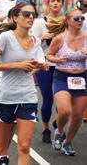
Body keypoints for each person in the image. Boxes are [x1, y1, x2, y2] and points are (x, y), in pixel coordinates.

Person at [0, 2, 48, 165]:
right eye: (26, 14)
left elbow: (36, 64)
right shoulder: (5, 37)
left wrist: (41, 66)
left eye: (33, 14)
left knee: (24, 146)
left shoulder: (36, 41)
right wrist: (17, 65)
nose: (31, 17)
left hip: (28, 97)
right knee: (1, 146)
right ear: (15, 18)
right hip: (6, 96)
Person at [46, 8, 87, 156]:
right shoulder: (60, 38)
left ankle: (67, 142)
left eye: (81, 18)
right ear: (68, 21)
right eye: (76, 19)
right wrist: (57, 60)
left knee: (77, 115)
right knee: (64, 111)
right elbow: (49, 55)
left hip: (81, 78)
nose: (80, 21)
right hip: (62, 77)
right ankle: (59, 131)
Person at [30, 0, 64, 143]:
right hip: (45, 66)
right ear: (48, 4)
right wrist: (43, 37)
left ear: (62, 4)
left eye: (58, 1)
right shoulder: (39, 23)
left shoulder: (66, 22)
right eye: (53, 1)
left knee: (62, 103)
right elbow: (31, 42)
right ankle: (46, 129)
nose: (55, 3)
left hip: (62, 66)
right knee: (48, 99)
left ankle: (58, 126)